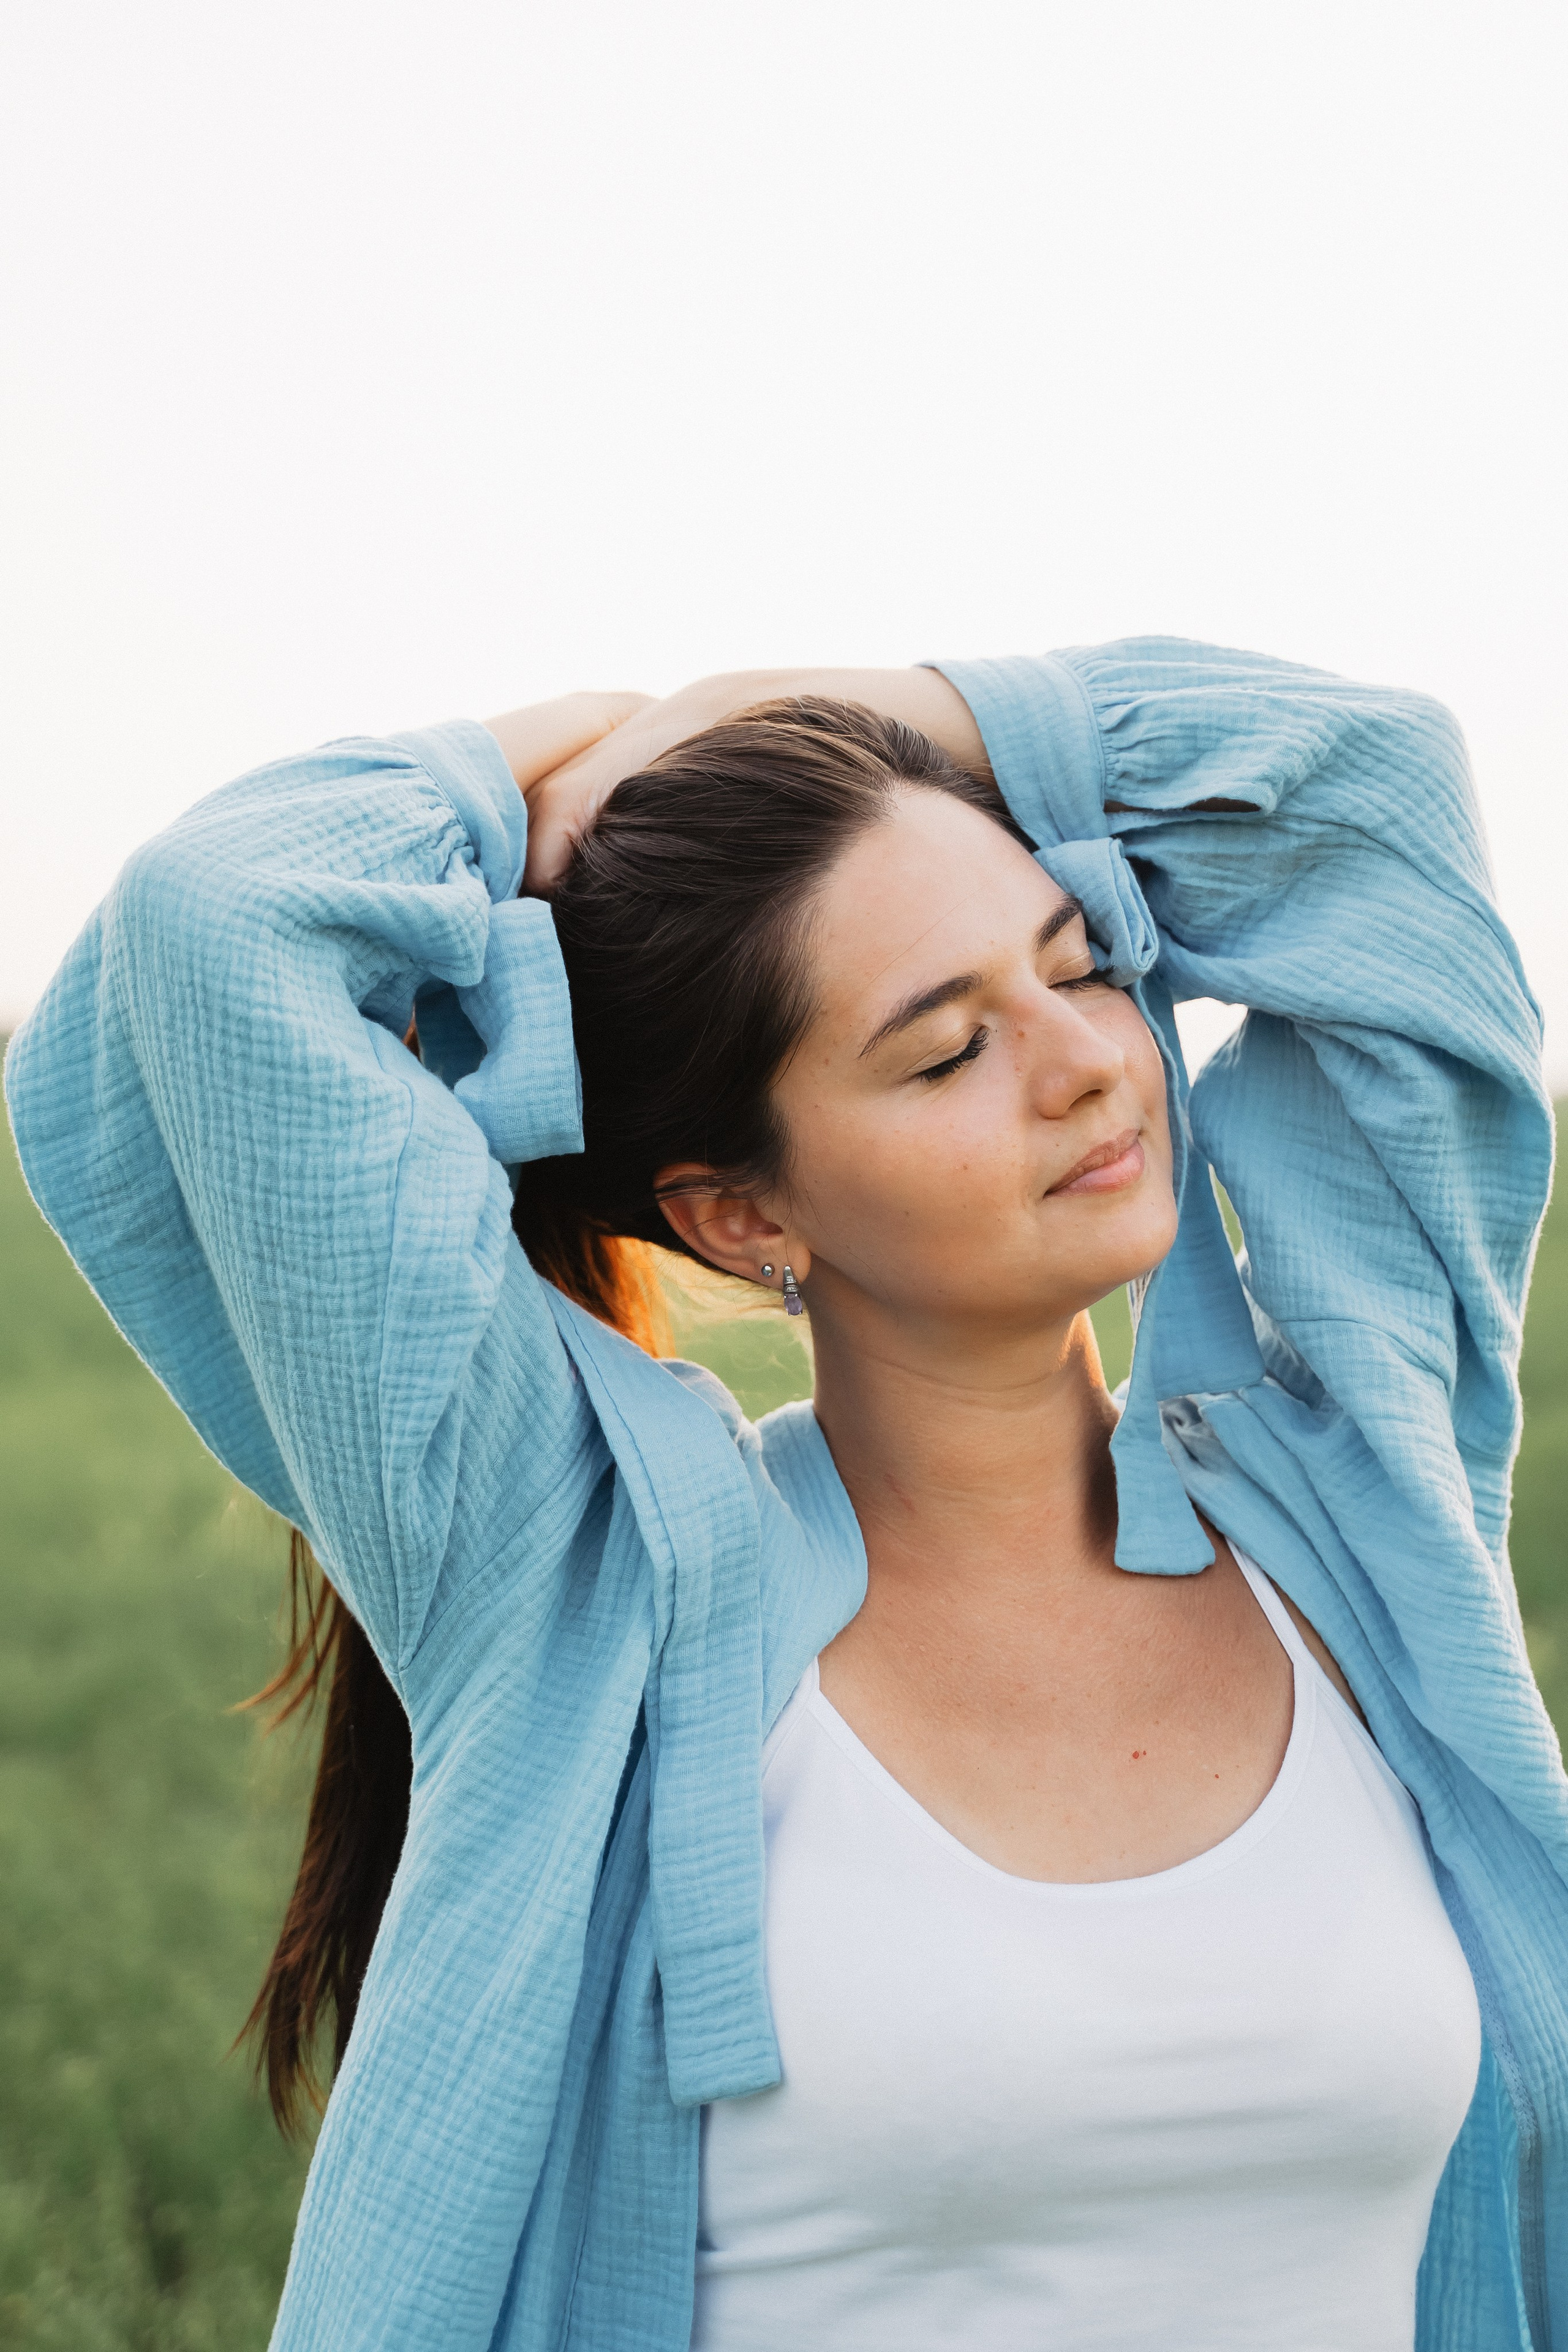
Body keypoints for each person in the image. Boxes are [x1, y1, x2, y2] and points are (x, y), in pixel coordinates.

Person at [6, 641, 1564, 2352]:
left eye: (1083, 961)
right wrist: (559, 768)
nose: (1087, 1061)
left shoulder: (1352, 1513)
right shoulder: (594, 1595)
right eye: (948, 1048)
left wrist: (824, 703)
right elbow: (215, 918)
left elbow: (1372, 786)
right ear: (745, 1216)